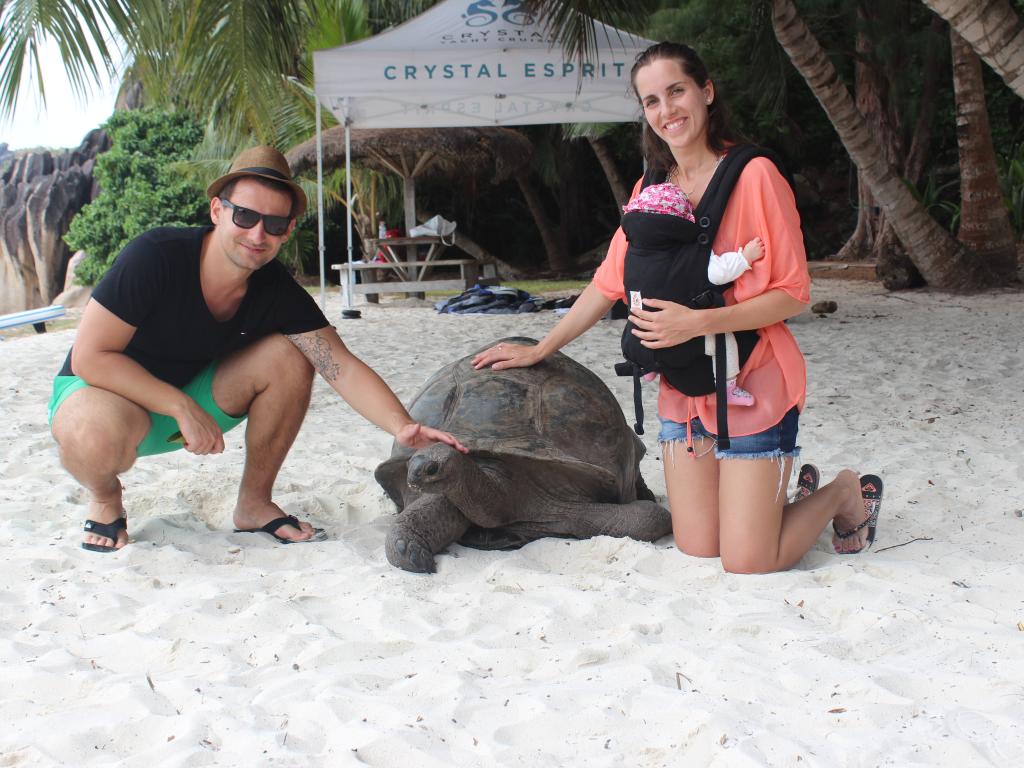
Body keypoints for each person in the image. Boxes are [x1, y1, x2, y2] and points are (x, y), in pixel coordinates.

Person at [473, 42, 883, 573]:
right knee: (697, 545)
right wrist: (541, 348)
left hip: (750, 380)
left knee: (748, 562)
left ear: (706, 91)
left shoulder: (755, 174)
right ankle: (779, 492)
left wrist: (697, 321)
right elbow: (607, 284)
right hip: (684, 389)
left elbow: (791, 293)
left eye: (676, 91)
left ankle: (843, 492)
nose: (667, 110)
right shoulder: (651, 187)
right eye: (651, 101)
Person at [49, 145, 467, 552]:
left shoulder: (276, 290)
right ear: (217, 210)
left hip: (194, 406)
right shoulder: (157, 256)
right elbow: (91, 357)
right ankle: (105, 497)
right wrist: (178, 405)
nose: (257, 233)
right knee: (92, 435)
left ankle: (253, 503)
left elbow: (339, 365)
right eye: (245, 215)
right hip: (104, 395)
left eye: (274, 223)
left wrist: (401, 426)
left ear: (287, 231)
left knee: (289, 355)